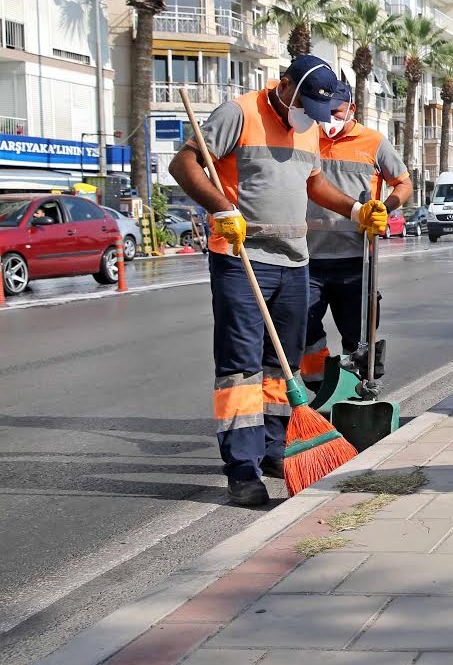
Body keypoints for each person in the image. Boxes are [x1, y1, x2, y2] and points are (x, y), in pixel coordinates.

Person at [169, 55, 388, 506]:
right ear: (284, 84)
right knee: (241, 368)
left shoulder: (308, 125)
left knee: (280, 364)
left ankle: (272, 448)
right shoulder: (239, 113)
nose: (309, 114)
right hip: (242, 257)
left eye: (317, 109)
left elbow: (312, 183)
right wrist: (221, 209)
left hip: (295, 262)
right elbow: (184, 164)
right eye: (304, 102)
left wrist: (355, 210)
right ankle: (242, 469)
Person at [300, 81, 412, 389]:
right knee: (301, 325)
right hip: (309, 258)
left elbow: (404, 184)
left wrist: (383, 208)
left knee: (358, 336)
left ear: (352, 109)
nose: (328, 119)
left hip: (356, 260)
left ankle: (358, 389)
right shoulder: (305, 138)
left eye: (335, 112)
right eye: (323, 113)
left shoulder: (374, 142)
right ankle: (321, 386)